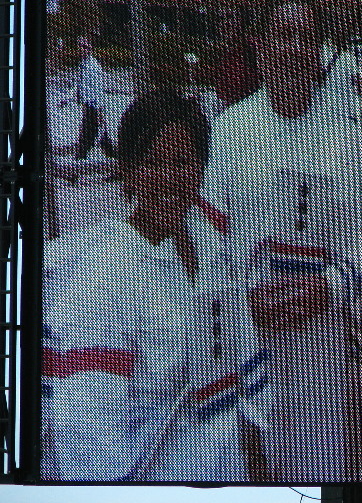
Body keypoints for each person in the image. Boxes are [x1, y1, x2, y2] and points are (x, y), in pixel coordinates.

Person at [203, 0, 362, 482]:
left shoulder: (345, 137)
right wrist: (242, 301)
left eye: (308, 38)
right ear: (261, 44)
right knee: (248, 466)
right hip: (247, 333)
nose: (296, 49)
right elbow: (210, 246)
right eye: (284, 35)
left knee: (318, 464)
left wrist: (329, 287)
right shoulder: (230, 131)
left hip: (320, 345)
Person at [43, 89, 260, 481]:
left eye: (183, 162)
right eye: (154, 162)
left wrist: (252, 435)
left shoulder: (213, 246)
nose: (171, 178)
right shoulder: (100, 271)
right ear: (127, 169)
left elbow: (238, 361)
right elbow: (92, 436)